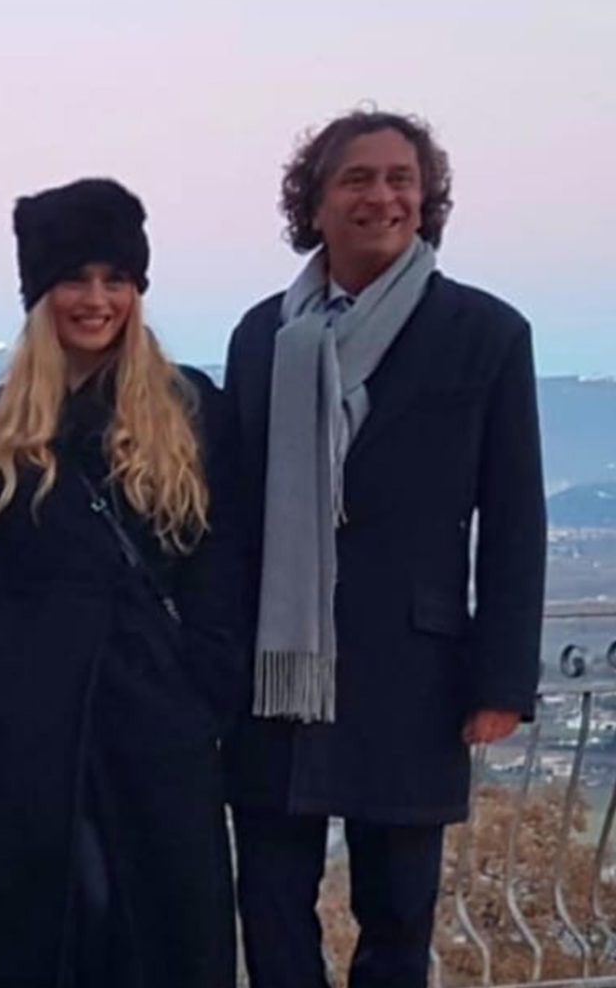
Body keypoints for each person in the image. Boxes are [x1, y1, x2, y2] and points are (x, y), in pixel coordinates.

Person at [223, 109, 547, 988]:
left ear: (426, 198)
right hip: (274, 672)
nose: (383, 196)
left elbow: (514, 520)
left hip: (413, 670)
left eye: (402, 179)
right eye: (357, 179)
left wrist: (501, 680)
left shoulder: (485, 334)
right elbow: (233, 512)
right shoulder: (261, 336)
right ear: (315, 204)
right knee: (271, 906)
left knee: (398, 916)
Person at [0, 178, 241, 987]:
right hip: (27, 725)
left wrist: (202, 686)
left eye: (116, 279)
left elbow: (222, 567)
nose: (96, 300)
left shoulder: (191, 409)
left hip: (156, 719)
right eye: (74, 278)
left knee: (154, 936)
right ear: (41, 293)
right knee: (35, 935)